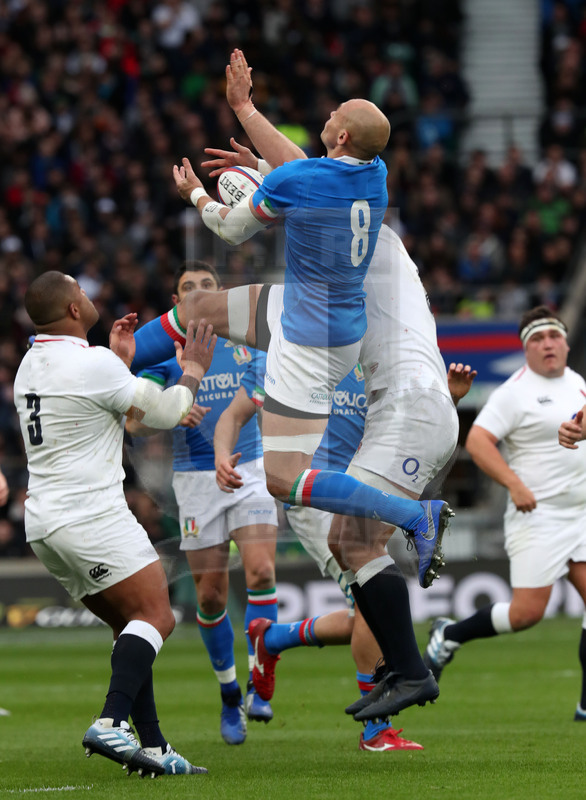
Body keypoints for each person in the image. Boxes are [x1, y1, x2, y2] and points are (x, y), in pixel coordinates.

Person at [131, 49, 453, 609]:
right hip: (319, 312)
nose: (328, 113)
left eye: (337, 114)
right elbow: (300, 168)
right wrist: (245, 108)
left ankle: (412, 515)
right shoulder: (372, 173)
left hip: (309, 340)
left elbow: (231, 230)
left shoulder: (306, 179)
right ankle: (120, 360)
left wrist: (198, 196)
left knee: (283, 479)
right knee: (203, 309)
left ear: (343, 138)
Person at [13, 270, 215, 777]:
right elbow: (167, 412)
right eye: (81, 289)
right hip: (91, 514)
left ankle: (154, 745)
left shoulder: (29, 365)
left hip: (45, 523)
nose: (88, 292)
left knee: (132, 625)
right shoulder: (90, 363)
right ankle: (110, 720)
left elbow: (93, 409)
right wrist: (191, 369)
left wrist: (120, 363)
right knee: (159, 616)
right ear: (75, 309)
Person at [126, 262, 278, 746]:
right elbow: (135, 423)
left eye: (206, 287)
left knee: (261, 573)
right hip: (195, 482)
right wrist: (166, 414)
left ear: (221, 294)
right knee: (210, 597)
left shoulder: (247, 340)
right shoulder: (163, 355)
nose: (198, 294)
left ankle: (261, 677)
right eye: (187, 289)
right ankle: (230, 693)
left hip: (249, 467)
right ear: (176, 302)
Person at [424, 306, 586, 722]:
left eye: (554, 336)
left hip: (580, 512)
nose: (548, 344)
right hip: (539, 516)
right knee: (526, 614)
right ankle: (450, 633)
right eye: (537, 338)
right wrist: (515, 485)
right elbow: (478, 442)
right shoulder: (514, 392)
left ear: (566, 343)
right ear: (526, 348)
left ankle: (585, 705)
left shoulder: (577, 383)